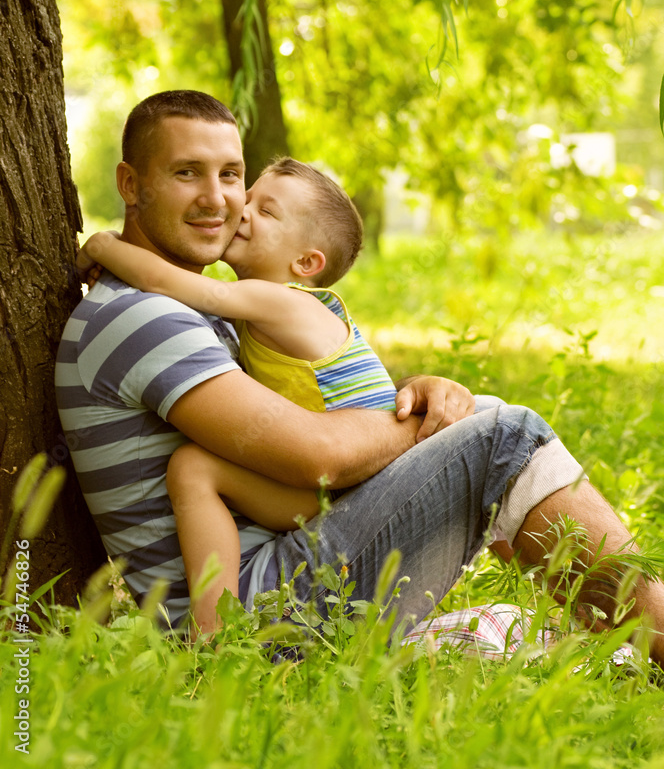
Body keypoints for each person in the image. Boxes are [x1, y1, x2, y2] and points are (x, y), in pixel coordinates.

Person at [55, 90, 664, 659]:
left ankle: (635, 642)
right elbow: (319, 457)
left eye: (231, 175)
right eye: (187, 172)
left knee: (507, 625)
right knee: (505, 432)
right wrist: (436, 425)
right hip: (255, 614)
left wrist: (421, 399)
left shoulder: (187, 307)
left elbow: (313, 393)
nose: (217, 199)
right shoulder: (143, 317)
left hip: (275, 575)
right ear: (131, 184)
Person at [76, 156, 423, 632]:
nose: (241, 210)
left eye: (266, 211)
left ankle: (211, 638)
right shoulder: (266, 306)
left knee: (194, 468)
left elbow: (163, 282)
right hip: (347, 482)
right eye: (250, 197)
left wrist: (106, 247)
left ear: (305, 264)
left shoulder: (282, 302)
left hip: (349, 485)